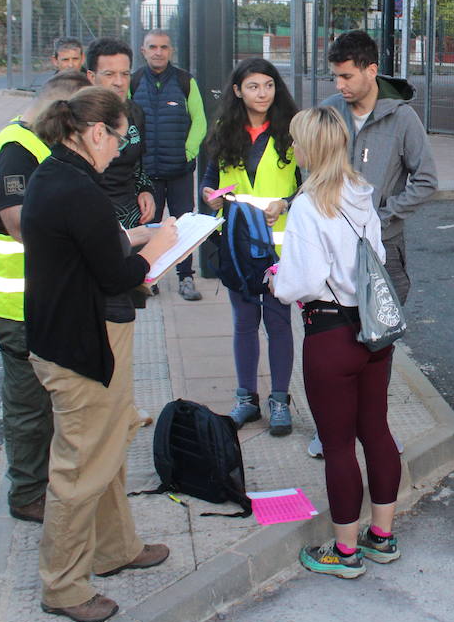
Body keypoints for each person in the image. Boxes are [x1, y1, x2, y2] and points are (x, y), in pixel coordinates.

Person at [21, 86, 180, 622]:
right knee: (81, 466)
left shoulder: (60, 175)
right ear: (96, 133)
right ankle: (63, 587)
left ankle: (115, 548)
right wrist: (157, 250)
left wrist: (137, 236)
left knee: (110, 445)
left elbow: (91, 245)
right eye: (119, 136)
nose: (121, 147)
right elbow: (115, 274)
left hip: (77, 334)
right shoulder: (76, 187)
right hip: (81, 343)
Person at [271, 106, 403, 580]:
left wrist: (275, 281)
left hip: (329, 334)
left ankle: (345, 553)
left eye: (295, 141)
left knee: (338, 444)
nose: (292, 149)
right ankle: (382, 537)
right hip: (373, 334)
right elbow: (377, 257)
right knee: (378, 430)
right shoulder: (362, 195)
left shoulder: (309, 204)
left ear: (311, 148)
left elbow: (301, 281)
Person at [0, 71, 91, 526]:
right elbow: (21, 223)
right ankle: (27, 494)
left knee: (46, 400)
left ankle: (43, 483)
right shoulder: (15, 153)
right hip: (16, 302)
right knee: (29, 405)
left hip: (41, 296)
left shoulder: (34, 143)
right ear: (59, 110)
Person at [315, 29, 437, 458]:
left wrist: (382, 217)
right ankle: (332, 428)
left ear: (371, 71)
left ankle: (374, 430)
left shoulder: (403, 118)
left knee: (375, 345)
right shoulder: (330, 112)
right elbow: (312, 173)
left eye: (347, 77)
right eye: (335, 77)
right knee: (334, 341)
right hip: (333, 253)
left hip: (384, 253)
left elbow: (426, 180)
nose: (340, 86)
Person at [201, 58, 299, 437]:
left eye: (269, 85)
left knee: (278, 324)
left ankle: (279, 400)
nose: (263, 93)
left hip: (280, 248)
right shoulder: (225, 130)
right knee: (244, 323)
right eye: (254, 86)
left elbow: (309, 182)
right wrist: (208, 195)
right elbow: (211, 179)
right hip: (238, 245)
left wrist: (287, 202)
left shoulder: (292, 130)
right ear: (238, 90)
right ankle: (247, 399)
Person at [133, 29, 206, 300]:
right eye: (152, 47)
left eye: (164, 47)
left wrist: (187, 152)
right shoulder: (135, 81)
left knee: (183, 226)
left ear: (171, 51)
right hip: (147, 174)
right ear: (143, 51)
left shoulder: (186, 81)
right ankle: (149, 277)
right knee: (149, 226)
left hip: (179, 172)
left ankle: (186, 277)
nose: (158, 52)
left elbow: (199, 121)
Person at [86, 38, 155, 229]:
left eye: (125, 74)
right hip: (92, 217)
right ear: (92, 77)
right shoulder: (75, 120)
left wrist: (145, 190)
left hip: (132, 215)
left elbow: (139, 165)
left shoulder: (136, 112)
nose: (119, 82)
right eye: (109, 74)